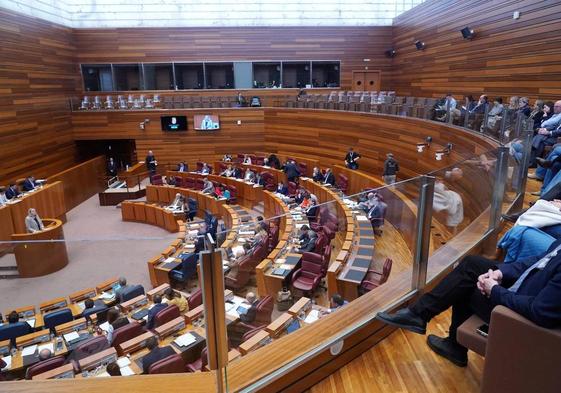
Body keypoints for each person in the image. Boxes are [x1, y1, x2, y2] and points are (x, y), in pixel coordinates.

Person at [377, 240, 561, 367]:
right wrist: (499, 273)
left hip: (520, 319)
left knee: (465, 285)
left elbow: (540, 311)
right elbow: (537, 263)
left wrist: (495, 290)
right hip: (526, 290)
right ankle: (421, 318)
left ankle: (450, 342)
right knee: (472, 264)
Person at [530, 100, 561, 167]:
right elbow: (553, 126)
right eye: (555, 106)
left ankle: (533, 162)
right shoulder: (555, 115)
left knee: (540, 139)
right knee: (540, 140)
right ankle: (532, 161)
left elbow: (559, 130)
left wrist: (548, 132)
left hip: (556, 138)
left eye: (557, 106)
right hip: (552, 135)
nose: (555, 108)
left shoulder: (558, 116)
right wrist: (545, 129)